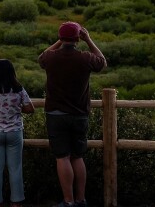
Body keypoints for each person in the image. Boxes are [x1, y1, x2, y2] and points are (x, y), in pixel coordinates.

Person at [38, 21, 106, 207]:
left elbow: (41, 57)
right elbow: (102, 62)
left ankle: (68, 201)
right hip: (79, 114)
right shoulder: (85, 58)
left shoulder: (51, 58)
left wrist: (59, 41)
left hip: (55, 114)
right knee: (78, 156)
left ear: (61, 38)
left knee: (63, 157)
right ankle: (81, 199)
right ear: (78, 38)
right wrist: (89, 40)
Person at [0, 59, 35, 207]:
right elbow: (30, 109)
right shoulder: (18, 88)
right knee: (15, 168)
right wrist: (16, 109)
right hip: (14, 132)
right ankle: (16, 202)